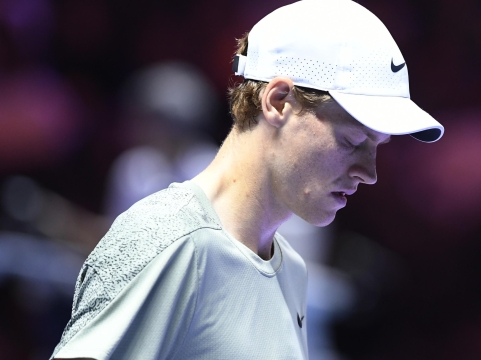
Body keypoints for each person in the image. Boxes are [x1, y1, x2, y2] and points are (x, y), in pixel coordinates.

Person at [50, 0, 444, 359]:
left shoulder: (291, 270)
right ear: (278, 103)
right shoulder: (169, 242)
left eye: (378, 146)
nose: (369, 173)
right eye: (352, 140)